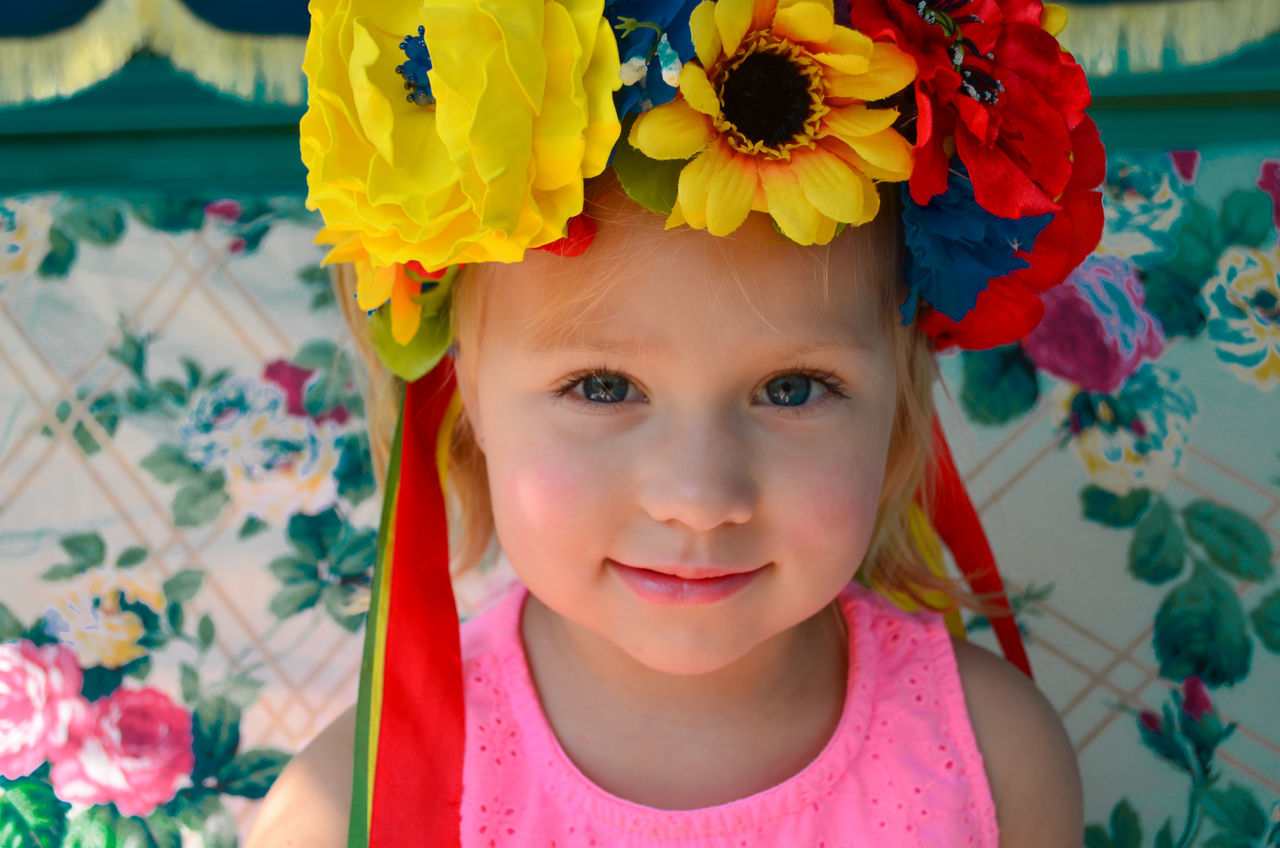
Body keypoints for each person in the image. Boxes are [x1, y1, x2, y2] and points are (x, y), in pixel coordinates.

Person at [249, 0, 1103, 844]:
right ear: (466, 392)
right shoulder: (353, 811)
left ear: (900, 398)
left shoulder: (994, 764)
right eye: (604, 388)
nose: (700, 497)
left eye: (795, 389)